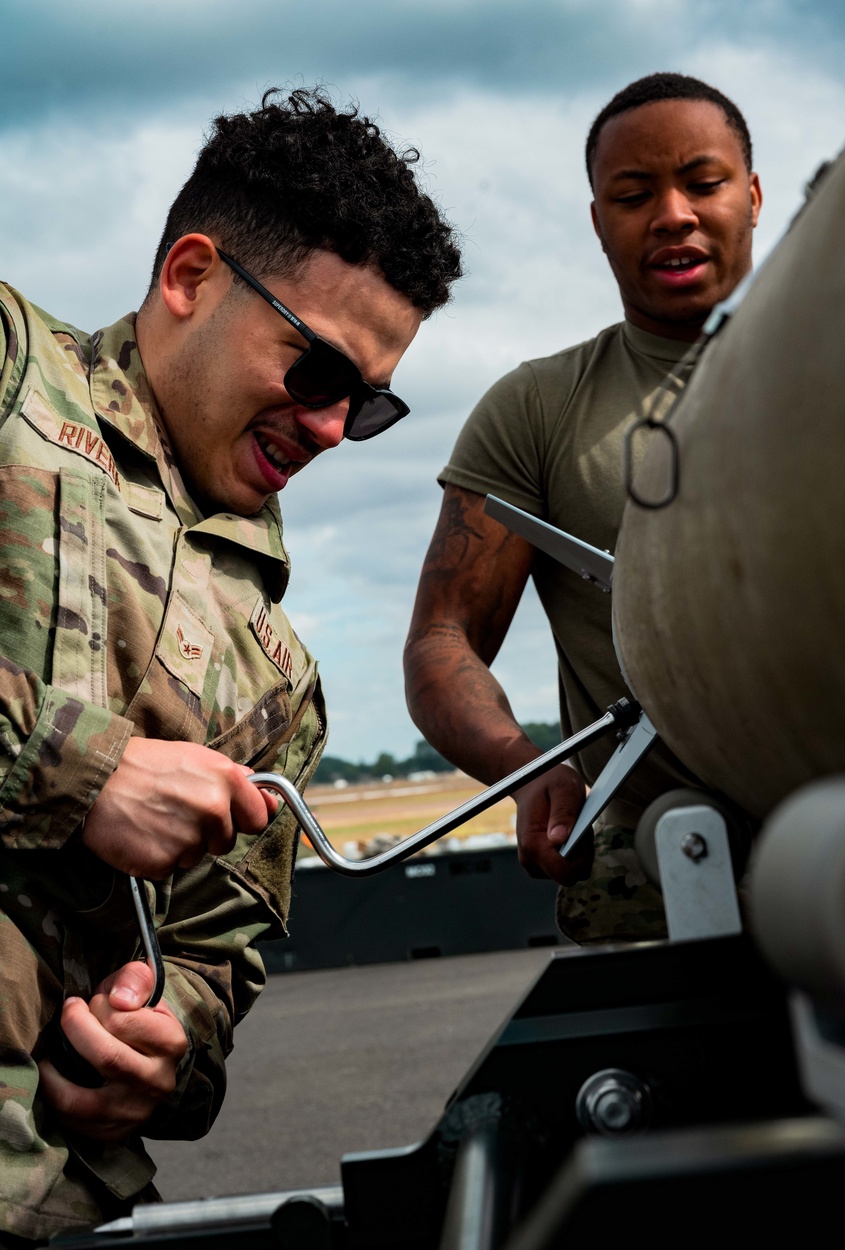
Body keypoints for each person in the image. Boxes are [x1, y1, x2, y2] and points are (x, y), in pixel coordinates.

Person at [0, 87, 461, 1244]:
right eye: (315, 373)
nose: (326, 430)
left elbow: (215, 956)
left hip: (57, 1205)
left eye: (365, 406)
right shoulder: (10, 376)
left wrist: (168, 1048)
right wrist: (79, 771)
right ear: (191, 276)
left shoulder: (280, 675)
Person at [404, 73, 761, 946]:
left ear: (752, 196)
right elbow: (440, 641)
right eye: (634, 195)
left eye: (703, 183)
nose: (672, 214)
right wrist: (526, 770)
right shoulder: (536, 409)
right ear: (599, 221)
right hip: (662, 858)